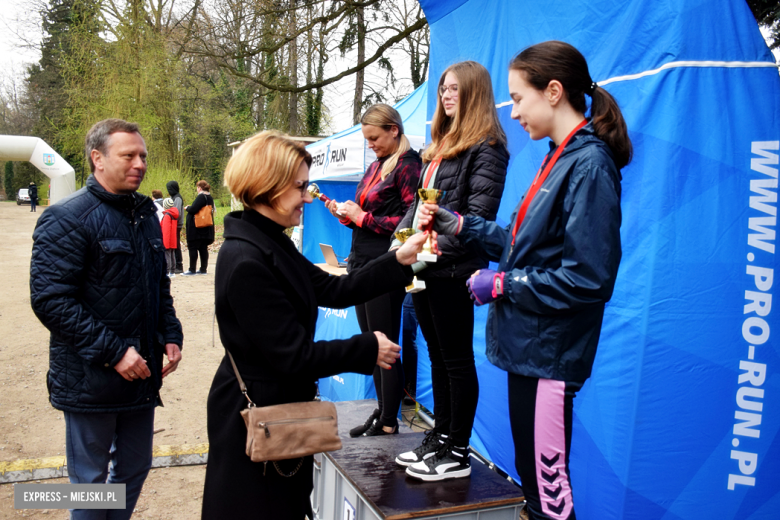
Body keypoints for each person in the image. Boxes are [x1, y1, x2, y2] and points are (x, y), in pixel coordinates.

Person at [418, 41, 631, 519]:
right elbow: (522, 243)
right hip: (530, 353)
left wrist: (501, 286)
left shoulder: (590, 165)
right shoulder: (558, 157)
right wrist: (462, 225)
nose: (512, 112)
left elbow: (589, 278)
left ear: (553, 91)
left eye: (517, 98)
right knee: (534, 486)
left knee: (548, 499)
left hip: (550, 359)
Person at [201, 130, 426, 519]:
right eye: (300, 187)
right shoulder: (247, 260)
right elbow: (294, 356)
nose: (308, 198)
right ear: (267, 186)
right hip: (255, 418)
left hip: (281, 410)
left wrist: (399, 259)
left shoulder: (271, 242)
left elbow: (337, 289)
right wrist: (367, 347)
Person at [30, 118, 183, 520]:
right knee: (90, 482)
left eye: (143, 156)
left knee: (134, 468)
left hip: (141, 376)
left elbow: (158, 285)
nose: (140, 164)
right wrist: (115, 353)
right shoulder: (66, 217)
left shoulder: (146, 215)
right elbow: (50, 300)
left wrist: (170, 332)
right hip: (90, 378)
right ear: (97, 158)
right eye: (128, 155)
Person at [391, 60, 509, 481]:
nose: (445, 95)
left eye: (455, 88)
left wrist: (434, 252)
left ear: (474, 93)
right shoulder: (438, 146)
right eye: (442, 88)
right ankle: (440, 438)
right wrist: (404, 241)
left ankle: (458, 451)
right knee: (437, 358)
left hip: (454, 269)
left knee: (456, 361)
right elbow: (418, 207)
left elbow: (477, 217)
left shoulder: (488, 147)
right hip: (424, 269)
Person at [323, 104, 422, 437]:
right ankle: (382, 410)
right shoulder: (377, 166)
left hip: (386, 265)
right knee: (373, 342)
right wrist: (346, 213)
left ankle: (390, 420)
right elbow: (365, 215)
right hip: (361, 261)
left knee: (385, 342)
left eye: (374, 138)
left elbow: (413, 219)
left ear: (394, 130)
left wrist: (364, 217)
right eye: (367, 140)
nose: (371, 145)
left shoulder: (409, 166)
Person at [182, 180, 216, 275]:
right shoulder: (210, 197)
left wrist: (187, 208)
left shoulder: (201, 196)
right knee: (203, 248)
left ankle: (192, 269)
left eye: (197, 187)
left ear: (200, 188)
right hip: (206, 227)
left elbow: (193, 209)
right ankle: (203, 269)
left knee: (193, 247)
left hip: (197, 228)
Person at [166, 180, 184, 273]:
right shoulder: (173, 197)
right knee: (174, 245)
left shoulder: (177, 198)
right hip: (173, 223)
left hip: (176, 224)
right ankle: (176, 264)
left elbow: (177, 213)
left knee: (176, 245)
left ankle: (179, 265)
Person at [161, 197, 179, 278]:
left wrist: (165, 242)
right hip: (173, 238)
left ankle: (167, 271)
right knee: (172, 255)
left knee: (167, 255)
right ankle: (172, 271)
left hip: (167, 238)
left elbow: (166, 230)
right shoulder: (173, 214)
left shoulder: (167, 215)